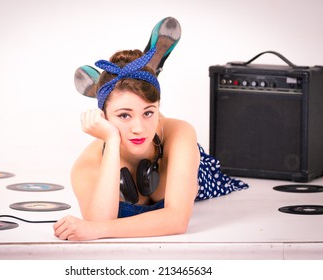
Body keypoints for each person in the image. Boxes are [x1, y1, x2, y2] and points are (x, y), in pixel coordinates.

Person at [54, 17, 248, 241]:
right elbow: (98, 219)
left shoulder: (179, 134)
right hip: (113, 131)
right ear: (103, 117)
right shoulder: (87, 165)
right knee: (130, 100)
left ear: (159, 109)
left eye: (149, 112)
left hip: (198, 169)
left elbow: (177, 220)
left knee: (133, 101)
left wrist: (96, 231)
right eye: (123, 115)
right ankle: (132, 79)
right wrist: (112, 139)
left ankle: (134, 79)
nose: (139, 129)